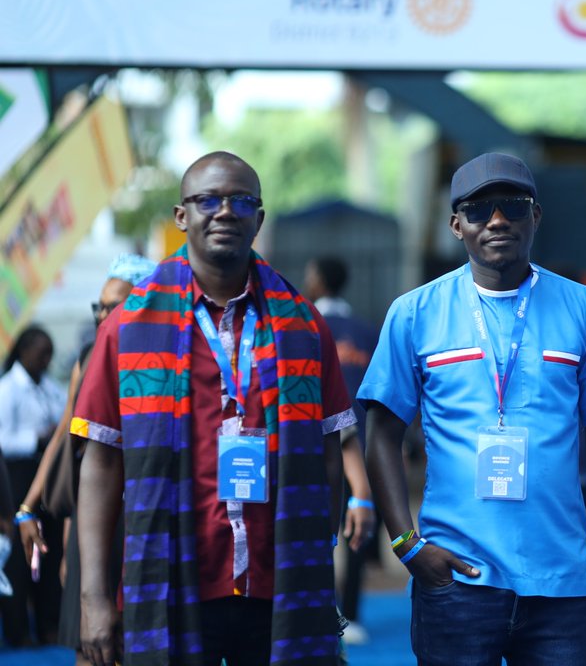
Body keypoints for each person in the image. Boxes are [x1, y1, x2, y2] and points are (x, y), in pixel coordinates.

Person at [72, 151, 356, 666]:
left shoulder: (304, 324)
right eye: (208, 200)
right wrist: (93, 598)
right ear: (182, 216)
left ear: (259, 218)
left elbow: (327, 452)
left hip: (279, 586)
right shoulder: (129, 326)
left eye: (241, 201)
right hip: (172, 583)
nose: (225, 211)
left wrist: (317, 559)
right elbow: (101, 460)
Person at [360, 152, 586, 665]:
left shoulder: (585, 308)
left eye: (513, 205)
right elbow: (381, 431)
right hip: (457, 580)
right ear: (455, 225)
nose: (496, 220)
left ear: (535, 216)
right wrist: (405, 542)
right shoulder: (415, 313)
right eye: (478, 209)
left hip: (562, 584)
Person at [18, 253, 157, 665]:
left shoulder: (165, 358)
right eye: (99, 306)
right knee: (89, 647)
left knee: (140, 645)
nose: (102, 316)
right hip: (93, 518)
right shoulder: (88, 355)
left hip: (143, 517)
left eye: (115, 306)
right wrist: (31, 509)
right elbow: (65, 439)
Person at [303, 256, 379, 646]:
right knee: (355, 532)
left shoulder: (305, 326)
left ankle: (318, 608)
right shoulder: (367, 331)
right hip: (361, 444)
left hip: (315, 446)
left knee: (313, 530)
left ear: (317, 279)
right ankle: (350, 614)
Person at [0, 324, 66, 646]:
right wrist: (37, 437)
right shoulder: (7, 389)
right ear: (24, 351)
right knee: (17, 559)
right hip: (16, 479)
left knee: (48, 553)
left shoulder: (48, 386)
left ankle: (48, 625)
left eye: (49, 355)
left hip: (45, 481)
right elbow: (1, 438)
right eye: (42, 354)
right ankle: (18, 631)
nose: (46, 361)